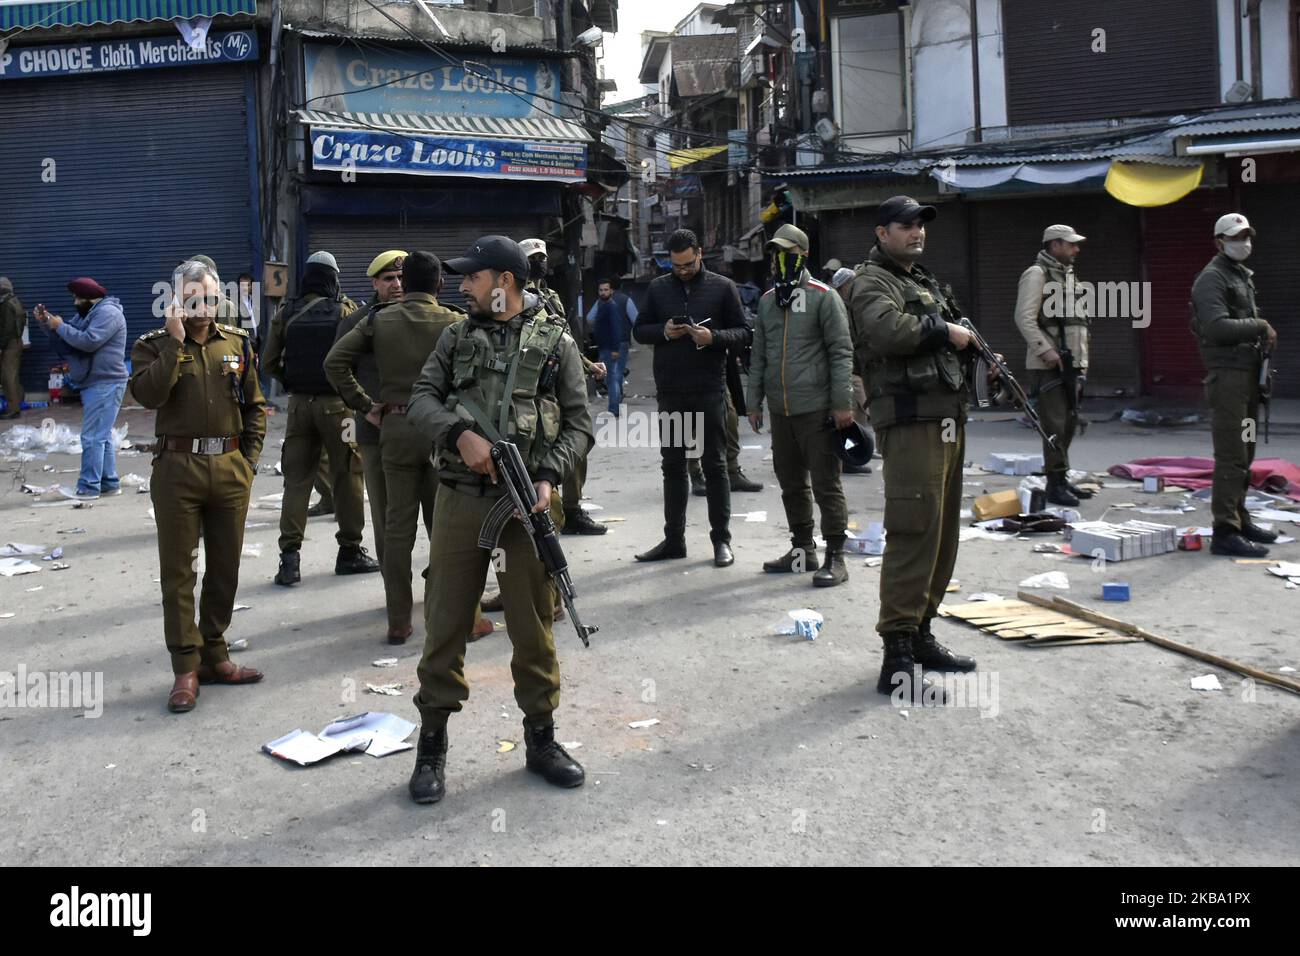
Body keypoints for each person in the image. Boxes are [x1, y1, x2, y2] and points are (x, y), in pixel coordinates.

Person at [404, 236, 593, 804]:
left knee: (533, 625)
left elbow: (581, 425)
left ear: (504, 282)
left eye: (472, 277)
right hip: (461, 498)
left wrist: (549, 477)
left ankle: (542, 740)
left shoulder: (556, 344)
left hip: (526, 503)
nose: (462, 286)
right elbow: (420, 398)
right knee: (445, 622)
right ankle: (431, 748)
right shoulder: (455, 336)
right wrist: (458, 434)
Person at [847, 196, 978, 705]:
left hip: (946, 418)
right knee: (913, 529)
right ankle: (896, 657)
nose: (917, 232)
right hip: (910, 420)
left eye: (921, 224)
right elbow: (887, 332)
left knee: (943, 533)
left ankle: (921, 633)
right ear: (882, 232)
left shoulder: (922, 281)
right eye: (906, 225)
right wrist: (944, 331)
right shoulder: (871, 280)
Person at [128, 259, 266, 712]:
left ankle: (216, 654)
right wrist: (175, 342)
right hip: (177, 470)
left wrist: (247, 462)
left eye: (209, 298)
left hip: (228, 467)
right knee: (180, 573)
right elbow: (148, 395)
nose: (203, 308)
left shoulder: (238, 344)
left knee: (225, 568)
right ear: (176, 302)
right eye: (192, 300)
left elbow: (256, 406)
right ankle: (185, 667)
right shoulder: (152, 346)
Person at [326, 251, 478, 645]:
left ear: (404, 283)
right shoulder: (456, 322)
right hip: (444, 432)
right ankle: (467, 616)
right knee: (447, 527)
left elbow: (334, 363)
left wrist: (365, 405)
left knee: (396, 529)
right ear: (440, 285)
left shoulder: (378, 321)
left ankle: (399, 620)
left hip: (393, 428)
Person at [632, 228, 752, 568]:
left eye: (687, 264)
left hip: (709, 389)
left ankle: (721, 542)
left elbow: (743, 333)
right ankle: (674, 540)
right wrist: (664, 332)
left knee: (715, 467)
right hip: (671, 391)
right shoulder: (658, 288)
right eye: (676, 266)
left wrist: (713, 337)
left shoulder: (722, 287)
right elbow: (639, 330)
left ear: (699, 254)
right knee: (673, 467)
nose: (682, 271)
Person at [747, 224, 854, 587]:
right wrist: (753, 401)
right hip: (781, 411)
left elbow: (841, 352)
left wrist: (843, 403)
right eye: (776, 253)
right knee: (791, 483)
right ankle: (802, 550)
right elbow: (759, 353)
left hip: (818, 409)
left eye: (787, 253)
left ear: (803, 255)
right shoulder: (767, 302)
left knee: (826, 484)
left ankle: (836, 557)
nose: (780, 260)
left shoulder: (825, 297)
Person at [263, 251, 378, 584]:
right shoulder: (346, 311)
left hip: (299, 407)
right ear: (333, 278)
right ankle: (350, 551)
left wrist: (292, 382)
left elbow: (269, 363)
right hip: (338, 409)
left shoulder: (286, 313)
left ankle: (289, 560)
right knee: (347, 478)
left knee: (296, 481)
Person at [1190, 212, 1280, 558]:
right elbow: (1216, 327)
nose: (1243, 242)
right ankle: (1225, 529)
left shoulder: (1239, 276)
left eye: (1246, 236)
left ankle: (1240, 516)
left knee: (1245, 451)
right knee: (1231, 455)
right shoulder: (1212, 279)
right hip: (1228, 379)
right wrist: (1260, 325)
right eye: (1235, 237)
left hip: (1246, 378)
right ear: (1219, 242)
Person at [520, 237, 607, 536]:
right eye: (533, 259)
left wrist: (588, 365)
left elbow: (564, 339)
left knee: (576, 443)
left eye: (542, 257)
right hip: (538, 385)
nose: (540, 263)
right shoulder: (517, 297)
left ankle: (572, 508)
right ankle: (547, 506)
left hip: (561, 380)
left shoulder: (552, 296)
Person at [1014, 224, 1093, 506]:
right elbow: (1024, 319)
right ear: (1055, 245)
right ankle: (1055, 484)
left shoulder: (1068, 276)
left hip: (1071, 364)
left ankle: (1061, 480)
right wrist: (1047, 351)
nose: (1076, 249)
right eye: (1071, 244)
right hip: (1049, 365)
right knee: (1055, 426)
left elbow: (1078, 325)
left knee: (1069, 424)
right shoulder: (1037, 274)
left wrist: (1082, 362)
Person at [33, 278, 129, 499]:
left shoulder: (108, 314)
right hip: (94, 381)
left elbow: (88, 341)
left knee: (92, 437)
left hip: (106, 382)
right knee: (101, 437)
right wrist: (47, 322)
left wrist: (60, 325)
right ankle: (109, 483)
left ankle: (88, 486)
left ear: (90, 298)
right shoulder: (88, 314)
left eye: (78, 298)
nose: (75, 302)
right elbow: (66, 340)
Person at [831, 265, 873, 475]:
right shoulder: (840, 308)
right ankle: (848, 458)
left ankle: (855, 452)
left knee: (860, 415)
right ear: (844, 286)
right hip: (850, 370)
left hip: (858, 369)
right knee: (851, 417)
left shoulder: (852, 305)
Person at [586, 277, 637, 416]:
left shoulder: (605, 304)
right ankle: (616, 401)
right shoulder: (625, 301)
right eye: (601, 290)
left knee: (612, 376)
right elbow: (635, 319)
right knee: (616, 373)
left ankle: (614, 406)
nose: (603, 292)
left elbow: (590, 319)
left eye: (605, 290)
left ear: (612, 290)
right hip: (621, 342)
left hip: (611, 345)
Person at [0, 277, 26, 419]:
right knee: (13, 376)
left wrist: (1, 345)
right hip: (16, 342)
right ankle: (16, 405)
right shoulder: (15, 301)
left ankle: (13, 409)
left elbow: (7, 328)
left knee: (8, 377)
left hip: (9, 344)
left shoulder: (5, 304)